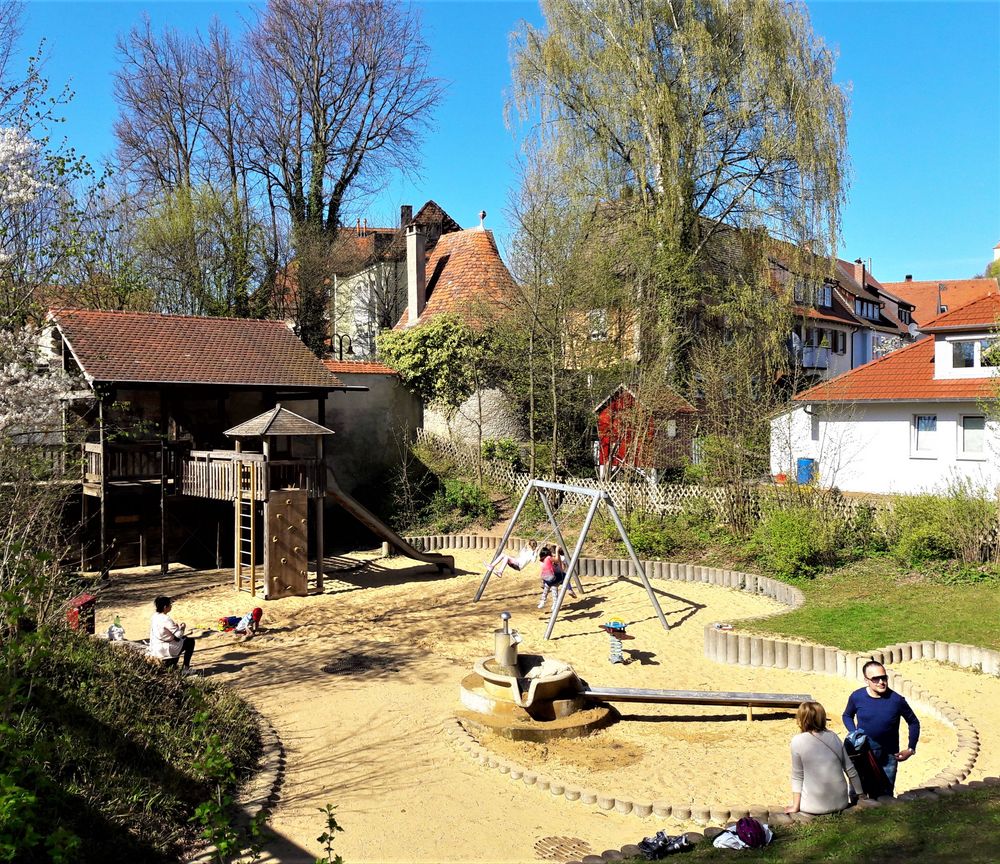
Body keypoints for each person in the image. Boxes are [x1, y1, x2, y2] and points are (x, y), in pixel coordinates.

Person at [842, 660, 920, 793]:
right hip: (862, 752)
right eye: (875, 679)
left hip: (888, 755)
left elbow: (913, 722)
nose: (881, 682)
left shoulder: (897, 700)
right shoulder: (857, 697)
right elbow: (847, 716)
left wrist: (911, 748)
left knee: (885, 795)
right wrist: (854, 733)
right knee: (858, 792)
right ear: (866, 680)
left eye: (883, 677)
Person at [786, 701, 863, 815]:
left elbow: (797, 776)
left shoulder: (797, 741)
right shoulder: (833, 736)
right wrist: (861, 794)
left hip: (813, 806)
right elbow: (850, 769)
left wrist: (795, 806)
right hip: (841, 802)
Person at [149, 596, 196, 674]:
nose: (171, 606)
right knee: (190, 642)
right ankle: (186, 668)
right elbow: (178, 635)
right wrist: (182, 628)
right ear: (165, 607)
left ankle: (178, 665)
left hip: (156, 646)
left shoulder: (154, 616)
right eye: (170, 605)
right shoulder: (166, 619)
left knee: (184, 640)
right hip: (166, 647)